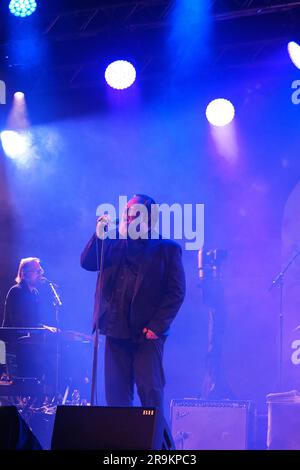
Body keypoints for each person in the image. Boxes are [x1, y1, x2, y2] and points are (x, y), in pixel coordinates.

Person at [81, 194, 185, 413]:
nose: (129, 218)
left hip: (146, 333)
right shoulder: (111, 244)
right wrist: (98, 235)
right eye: (127, 213)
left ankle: (154, 443)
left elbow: (176, 292)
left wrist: (157, 326)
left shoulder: (166, 248)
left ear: (149, 219)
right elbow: (88, 263)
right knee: (116, 396)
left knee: (150, 392)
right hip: (115, 329)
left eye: (135, 214)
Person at [2, 257, 46, 327]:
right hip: (14, 337)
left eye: (40, 271)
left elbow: (35, 321)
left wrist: (44, 328)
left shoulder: (35, 293)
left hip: (28, 336)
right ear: (24, 273)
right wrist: (42, 327)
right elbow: (19, 322)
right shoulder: (16, 291)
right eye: (36, 271)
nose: (40, 274)